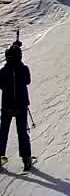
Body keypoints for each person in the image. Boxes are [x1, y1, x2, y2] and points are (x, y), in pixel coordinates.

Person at [0, 37, 34, 171]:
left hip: (7, 107)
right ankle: (26, 160)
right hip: (21, 107)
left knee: (3, 132)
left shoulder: (2, 71)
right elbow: (27, 81)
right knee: (22, 133)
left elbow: (1, 84)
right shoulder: (24, 69)